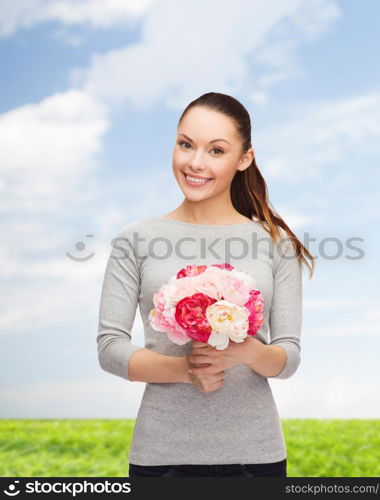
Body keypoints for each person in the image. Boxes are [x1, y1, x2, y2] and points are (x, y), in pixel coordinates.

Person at [97, 92, 315, 478]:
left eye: (216, 150)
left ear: (244, 159)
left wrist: (247, 352)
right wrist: (184, 370)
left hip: (256, 458)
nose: (195, 163)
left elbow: (289, 356)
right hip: (160, 457)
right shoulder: (137, 238)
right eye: (185, 145)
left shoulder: (275, 243)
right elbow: (110, 347)